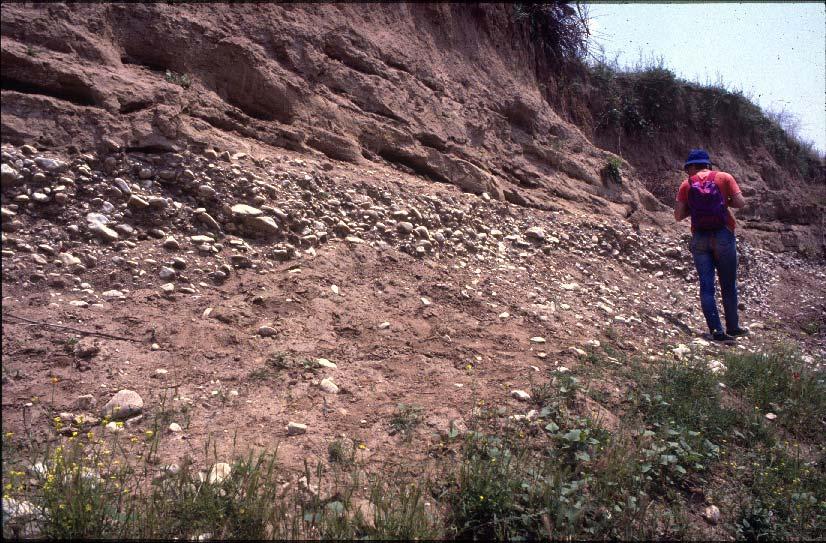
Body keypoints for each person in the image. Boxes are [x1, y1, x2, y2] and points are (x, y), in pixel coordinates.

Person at [674, 149, 749, 342]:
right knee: (728, 284)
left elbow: (678, 216)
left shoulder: (686, 184)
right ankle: (733, 327)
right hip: (724, 234)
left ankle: (716, 330)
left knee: (707, 286)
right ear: (707, 164)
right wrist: (725, 201)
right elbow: (741, 203)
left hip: (699, 238)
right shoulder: (724, 177)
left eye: (687, 169)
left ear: (691, 166)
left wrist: (696, 207)